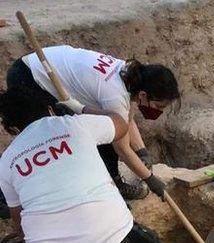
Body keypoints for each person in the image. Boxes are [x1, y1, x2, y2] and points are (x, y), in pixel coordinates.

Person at [0, 86, 173, 243]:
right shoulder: (74, 124)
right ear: (50, 109)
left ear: (9, 129)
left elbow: (19, 225)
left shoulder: (6, 162)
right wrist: (79, 107)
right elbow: (120, 124)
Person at [6, 45, 181, 200]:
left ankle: (108, 181)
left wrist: (142, 151)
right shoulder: (114, 93)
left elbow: (127, 118)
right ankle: (107, 185)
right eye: (158, 105)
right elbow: (122, 148)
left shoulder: (129, 75)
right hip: (32, 75)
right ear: (143, 95)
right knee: (56, 135)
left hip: (45, 63)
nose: (159, 110)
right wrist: (150, 179)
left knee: (103, 128)